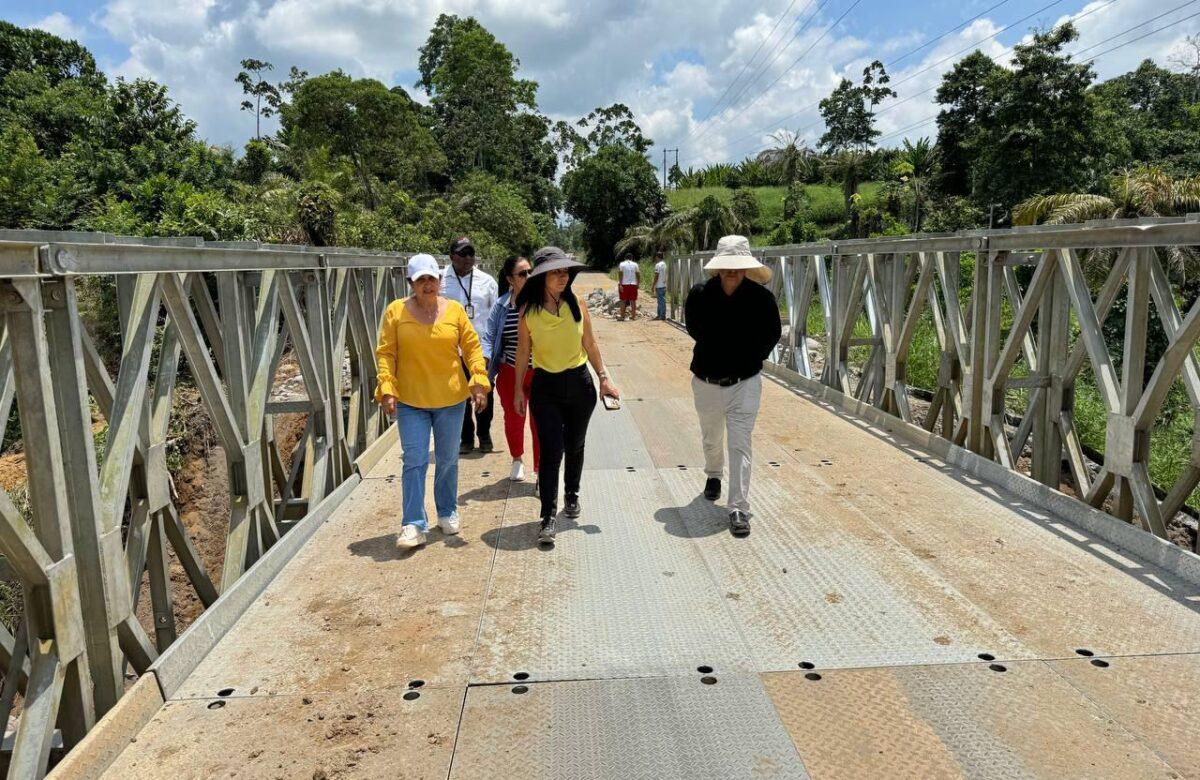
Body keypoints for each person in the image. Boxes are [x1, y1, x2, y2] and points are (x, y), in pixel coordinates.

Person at [376, 254, 491, 550]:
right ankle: (414, 523)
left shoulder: (453, 310)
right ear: (411, 283)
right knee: (414, 460)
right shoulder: (395, 312)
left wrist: (478, 380)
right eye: (420, 280)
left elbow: (472, 347)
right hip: (411, 400)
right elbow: (386, 352)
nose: (427, 285)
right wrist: (387, 386)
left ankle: (447, 510)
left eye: (431, 279)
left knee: (448, 458)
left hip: (451, 399)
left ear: (440, 281)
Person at [514, 247, 621, 545]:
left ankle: (571, 495)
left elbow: (590, 343)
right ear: (542, 277)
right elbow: (523, 352)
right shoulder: (528, 311)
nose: (563, 277)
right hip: (545, 387)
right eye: (556, 272)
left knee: (575, 444)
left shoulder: (578, 303)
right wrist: (517, 392)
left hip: (579, 385)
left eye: (565, 272)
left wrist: (604, 378)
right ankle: (548, 515)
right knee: (551, 451)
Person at [684, 235, 781, 538]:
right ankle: (713, 474)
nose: (731, 271)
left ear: (746, 268)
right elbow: (694, 329)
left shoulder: (762, 299)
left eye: (737, 266)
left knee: (740, 443)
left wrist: (752, 357)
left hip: (745, 382)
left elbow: (772, 333)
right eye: (726, 266)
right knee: (712, 437)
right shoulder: (700, 295)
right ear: (718, 267)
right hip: (706, 381)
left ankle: (738, 506)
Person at [480, 255, 540, 482]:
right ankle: (517, 458)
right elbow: (489, 336)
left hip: (539, 370)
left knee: (539, 420)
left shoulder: (541, 301)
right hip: (509, 370)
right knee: (514, 418)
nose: (529, 276)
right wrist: (484, 364)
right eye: (523, 274)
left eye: (530, 271)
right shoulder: (501, 305)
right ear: (510, 279)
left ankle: (540, 468)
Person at [440, 236, 499, 455]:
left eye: (471, 253)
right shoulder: (440, 280)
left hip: (481, 348)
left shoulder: (487, 281)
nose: (468, 258)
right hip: (452, 350)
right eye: (463, 254)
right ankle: (466, 437)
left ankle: (484, 433)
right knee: (460, 395)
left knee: (484, 391)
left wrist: (495, 348)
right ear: (452, 257)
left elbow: (495, 315)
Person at [617, 253, 640, 320]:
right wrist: (638, 283)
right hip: (633, 284)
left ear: (625, 258)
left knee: (623, 300)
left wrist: (620, 284)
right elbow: (638, 274)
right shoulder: (635, 264)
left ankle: (622, 316)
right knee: (633, 300)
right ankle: (633, 316)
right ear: (632, 258)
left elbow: (620, 274)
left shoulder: (622, 264)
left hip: (624, 284)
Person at [652, 250, 668, 320]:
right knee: (661, 301)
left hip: (659, 285)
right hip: (664, 285)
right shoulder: (664, 264)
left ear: (657, 257)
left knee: (661, 301)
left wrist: (653, 285)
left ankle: (662, 315)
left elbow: (656, 275)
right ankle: (660, 315)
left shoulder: (658, 265)